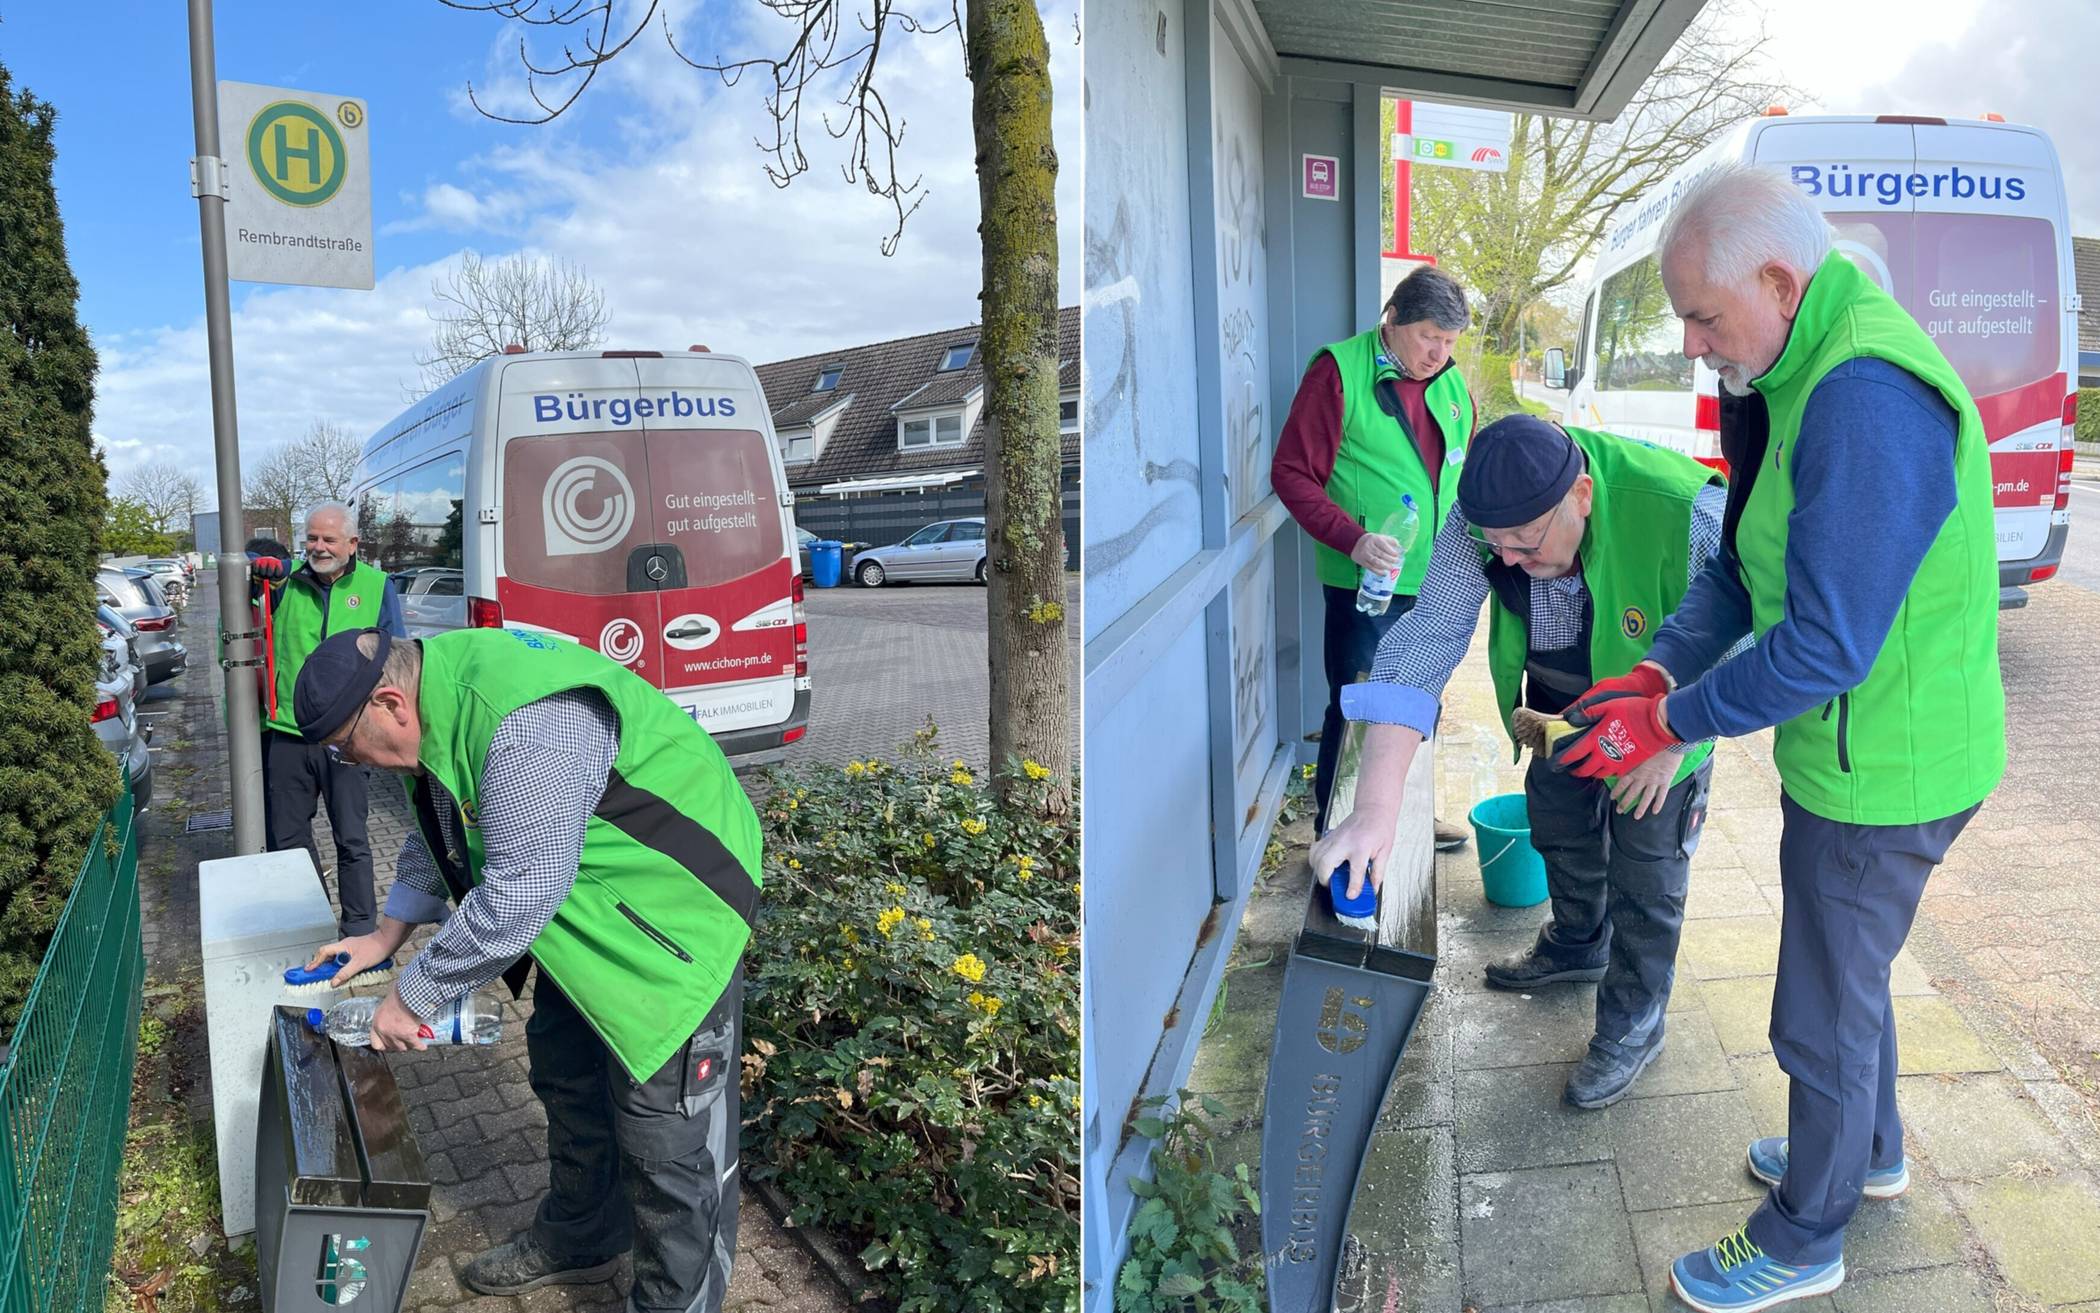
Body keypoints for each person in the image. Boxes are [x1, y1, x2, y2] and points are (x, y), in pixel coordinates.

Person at [1548, 164, 2004, 1311]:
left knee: (1817, 1005)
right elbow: (1742, 571)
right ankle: (1870, 1149)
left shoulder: (1861, 394)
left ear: (1779, 279)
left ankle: (1809, 1226)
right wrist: (1657, 669)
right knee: (1850, 975)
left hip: (1885, 769)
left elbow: (1827, 643)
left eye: (1703, 314)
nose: (1694, 343)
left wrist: (1672, 720)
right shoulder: (1781, 366)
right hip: (1866, 751)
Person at [296, 626, 759, 1311]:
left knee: (665, 1142)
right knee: (566, 1074)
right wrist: (385, 933)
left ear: (391, 702)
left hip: (675, 919)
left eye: (345, 747)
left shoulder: (524, 725)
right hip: (592, 914)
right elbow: (445, 819)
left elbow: (521, 892)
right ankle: (583, 1233)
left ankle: (674, 1301)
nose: (352, 764)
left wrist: (413, 994)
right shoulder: (440, 695)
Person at [1309, 415, 1731, 1108]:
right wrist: (1375, 813)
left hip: (1668, 718)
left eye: (1525, 545)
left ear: (1583, 496)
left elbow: (1754, 641)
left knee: (1646, 871)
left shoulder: (1687, 511)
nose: (1504, 560)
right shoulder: (1484, 524)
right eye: (1494, 544)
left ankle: (1634, 1019)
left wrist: (1677, 736)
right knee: (1557, 822)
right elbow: (1424, 641)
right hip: (1562, 708)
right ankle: (1577, 942)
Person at [1272, 264, 1476, 849]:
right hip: (1368, 581)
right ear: (1393, 321)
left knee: (1421, 700)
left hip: (1439, 577)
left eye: (1449, 342)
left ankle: (1406, 815)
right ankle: (1335, 826)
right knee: (1360, 702)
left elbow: (1462, 465)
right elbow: (1290, 474)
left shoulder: (1452, 383)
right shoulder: (1338, 372)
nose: (1439, 353)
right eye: (1429, 338)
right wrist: (1352, 539)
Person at [248, 504, 405, 937]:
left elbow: (397, 656)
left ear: (352, 544)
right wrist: (254, 572)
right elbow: (249, 570)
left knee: (352, 838)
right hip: (288, 734)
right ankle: (311, 925)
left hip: (349, 736)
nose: (318, 547)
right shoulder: (283, 581)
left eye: (329, 539)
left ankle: (358, 931)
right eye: (312, 538)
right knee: (288, 839)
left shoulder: (377, 587)